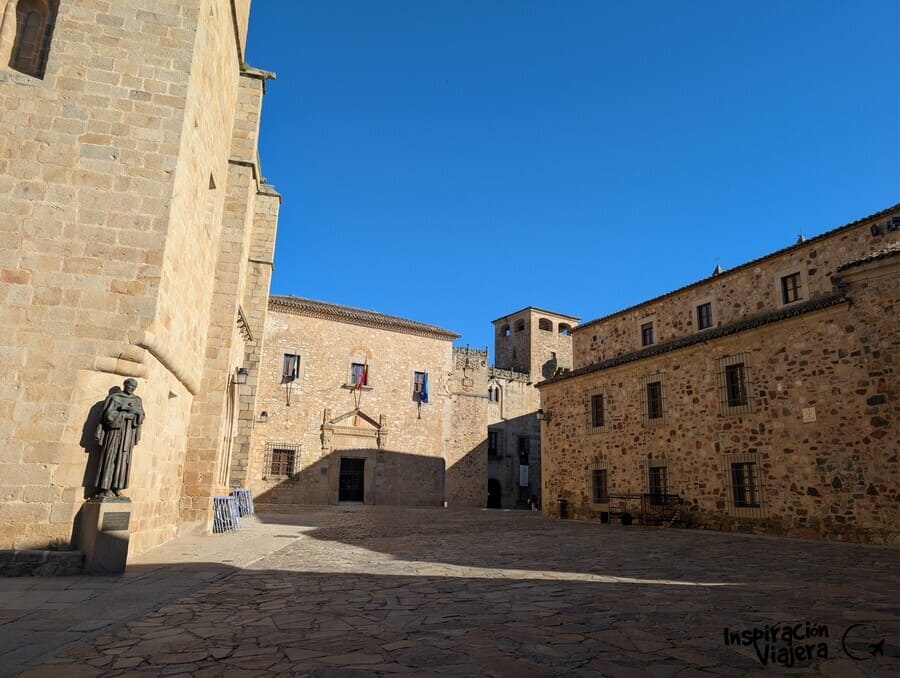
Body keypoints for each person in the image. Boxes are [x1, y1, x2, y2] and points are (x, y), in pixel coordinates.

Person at [94, 378, 144, 497]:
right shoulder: (115, 398)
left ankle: (117, 487)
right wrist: (125, 415)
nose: (131, 388)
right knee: (109, 457)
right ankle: (104, 488)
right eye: (129, 386)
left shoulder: (137, 400)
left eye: (134, 387)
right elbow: (108, 416)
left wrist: (136, 412)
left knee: (123, 460)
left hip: (128, 434)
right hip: (115, 432)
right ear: (124, 385)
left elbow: (141, 416)